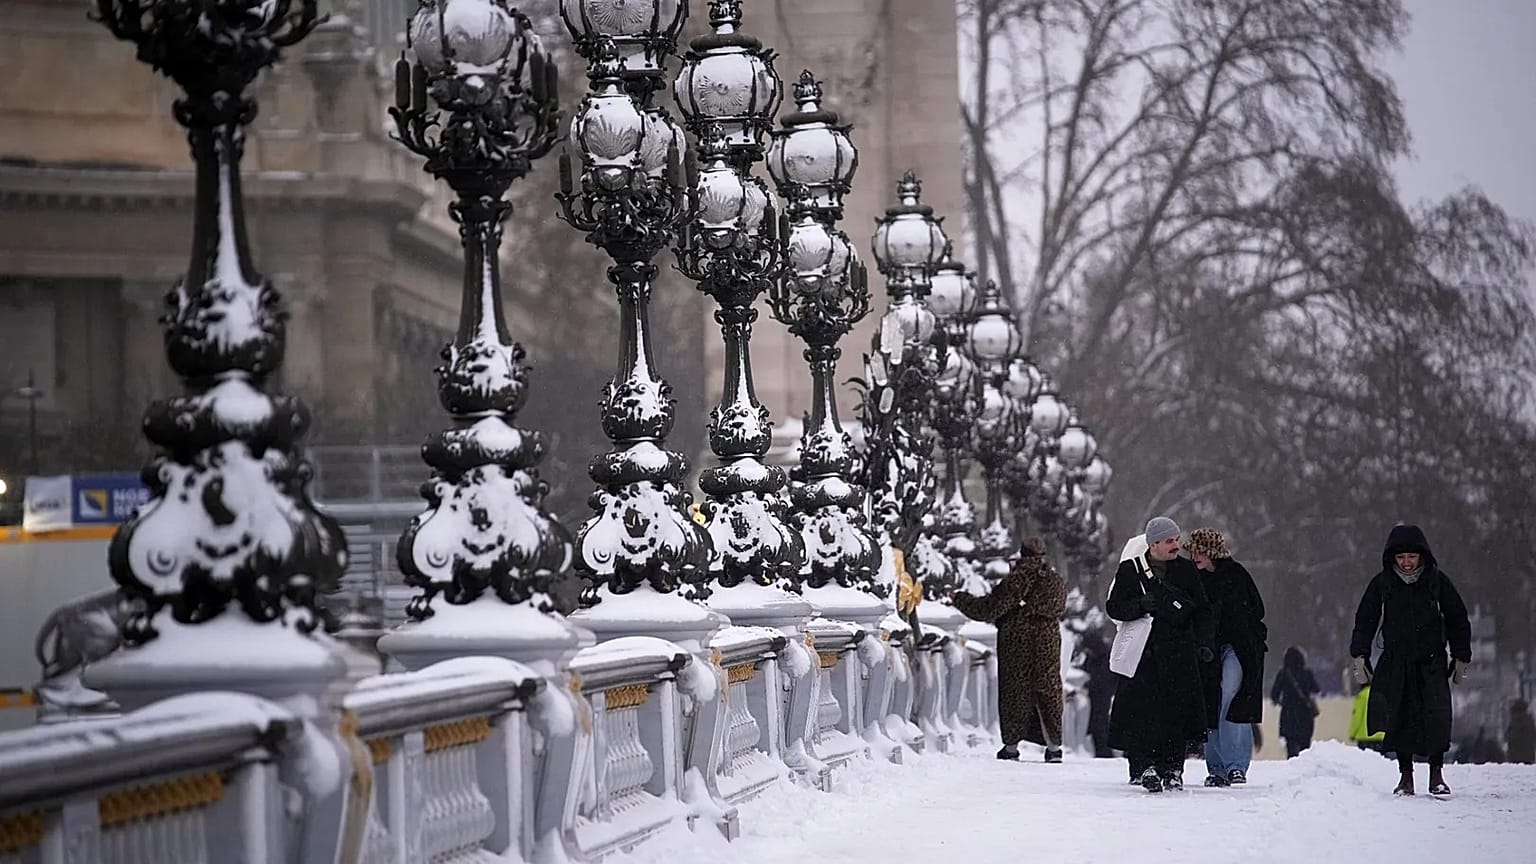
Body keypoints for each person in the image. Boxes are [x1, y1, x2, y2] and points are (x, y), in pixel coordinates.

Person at [1350, 523, 1472, 797]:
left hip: (1431, 663)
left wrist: (1461, 655)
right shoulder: (1383, 584)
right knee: (1400, 719)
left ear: (1422, 556)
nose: (1406, 563)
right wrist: (1360, 654)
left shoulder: (1436, 581)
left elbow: (1457, 618)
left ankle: (1436, 773)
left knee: (1436, 718)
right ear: (1392, 558)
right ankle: (1405, 776)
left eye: (1411, 557)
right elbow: (1365, 619)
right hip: (1397, 662)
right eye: (1401, 558)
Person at [1105, 516, 1213, 792]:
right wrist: (1140, 605)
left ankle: (1173, 768)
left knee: (1176, 713)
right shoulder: (1131, 570)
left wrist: (1203, 643)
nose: (1176, 545)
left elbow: (1202, 609)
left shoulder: (1187, 572)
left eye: (1177, 540)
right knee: (1143, 712)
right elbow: (1114, 607)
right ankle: (1145, 766)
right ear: (1153, 544)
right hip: (1143, 655)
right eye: (1169, 541)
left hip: (1178, 655)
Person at [953, 536, 1068, 763]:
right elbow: (1060, 608)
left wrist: (959, 599)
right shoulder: (1055, 581)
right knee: (1048, 689)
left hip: (1017, 642)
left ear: (1022, 553)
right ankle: (1054, 747)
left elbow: (988, 608)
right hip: (1047, 643)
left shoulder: (1017, 579)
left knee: (1015, 691)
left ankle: (1011, 746)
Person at [1187, 528, 1267, 786]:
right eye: (1193, 551)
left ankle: (1235, 766)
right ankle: (1217, 768)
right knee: (1212, 703)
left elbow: (1254, 611)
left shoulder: (1236, 575)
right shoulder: (1193, 579)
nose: (1196, 556)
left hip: (1237, 647)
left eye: (1200, 551)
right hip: (1207, 650)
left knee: (1230, 698)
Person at [1271, 646, 1321, 758]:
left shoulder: (1283, 674)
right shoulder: (1307, 674)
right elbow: (1316, 689)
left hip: (1288, 716)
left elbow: (1274, 695)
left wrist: (1282, 702)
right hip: (1305, 716)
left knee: (1291, 749)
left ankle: (1293, 770)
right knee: (1305, 750)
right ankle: (1304, 771)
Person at [1348, 681, 1386, 753]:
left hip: (1365, 736)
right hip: (1381, 736)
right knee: (1379, 762)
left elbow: (1357, 717)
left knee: (1365, 762)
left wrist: (1352, 733)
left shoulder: (1362, 695)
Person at [1507, 698, 1535, 764]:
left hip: (1516, 755)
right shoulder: (1529, 719)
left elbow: (1512, 736)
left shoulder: (1516, 720)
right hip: (1529, 755)